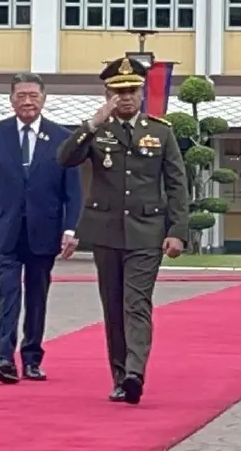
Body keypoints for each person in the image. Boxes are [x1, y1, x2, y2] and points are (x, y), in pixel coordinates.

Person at [56, 56, 190, 405]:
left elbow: (177, 184)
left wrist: (177, 230)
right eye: (119, 91)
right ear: (107, 94)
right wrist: (91, 122)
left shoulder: (161, 131)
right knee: (113, 306)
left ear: (142, 92)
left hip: (147, 230)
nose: (126, 96)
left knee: (136, 302)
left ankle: (135, 372)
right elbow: (65, 158)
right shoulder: (98, 129)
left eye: (132, 90)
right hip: (106, 230)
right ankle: (119, 376)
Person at [0, 72, 83, 384]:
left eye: (33, 95)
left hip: (43, 230)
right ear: (11, 100)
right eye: (21, 95)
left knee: (36, 296)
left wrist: (71, 229)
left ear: (44, 99)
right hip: (4, 227)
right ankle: (3, 357)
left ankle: (32, 358)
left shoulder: (62, 137)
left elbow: (72, 190)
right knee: (7, 292)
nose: (27, 101)